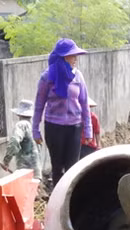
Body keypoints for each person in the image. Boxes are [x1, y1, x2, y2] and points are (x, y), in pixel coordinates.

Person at [32, 38, 92, 186]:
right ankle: (57, 201)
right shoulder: (47, 77)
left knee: (72, 167)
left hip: (74, 127)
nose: (75, 59)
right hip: (54, 127)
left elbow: (84, 103)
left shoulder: (78, 76)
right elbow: (39, 104)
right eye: (72, 55)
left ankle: (71, 200)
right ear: (63, 57)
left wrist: (88, 129)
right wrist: (35, 130)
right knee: (57, 167)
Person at [1, 99, 41, 178]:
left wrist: (6, 161)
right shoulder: (34, 127)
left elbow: (14, 141)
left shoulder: (21, 125)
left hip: (26, 171)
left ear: (19, 114)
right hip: (36, 171)